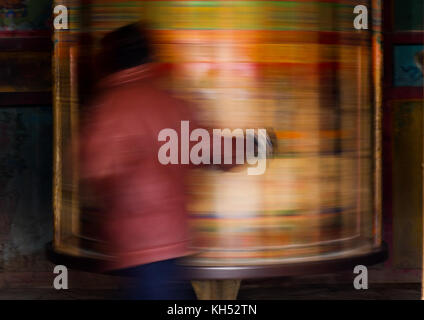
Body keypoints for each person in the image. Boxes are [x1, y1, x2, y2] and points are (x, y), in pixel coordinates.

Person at [76, 22, 245, 300]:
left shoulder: (110, 107)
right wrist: (256, 145)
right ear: (150, 57)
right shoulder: (171, 102)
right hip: (175, 237)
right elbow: (213, 150)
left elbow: (97, 168)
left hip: (136, 240)